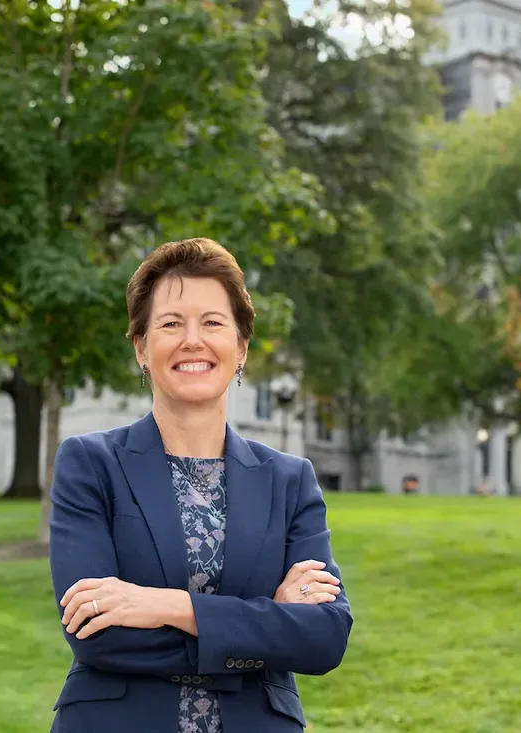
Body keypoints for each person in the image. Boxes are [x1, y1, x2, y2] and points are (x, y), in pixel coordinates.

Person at [48, 238, 353, 733]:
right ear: (141, 348)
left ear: (241, 349)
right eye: (171, 324)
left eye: (213, 323)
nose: (193, 340)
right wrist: (266, 625)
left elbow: (324, 637)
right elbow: (96, 632)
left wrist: (166, 605)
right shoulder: (91, 464)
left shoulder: (289, 480)